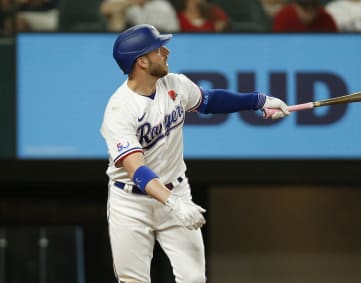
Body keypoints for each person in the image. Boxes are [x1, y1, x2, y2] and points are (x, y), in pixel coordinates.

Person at [100, 24, 289, 283]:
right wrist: (172, 202)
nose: (165, 51)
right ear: (141, 62)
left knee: (194, 279)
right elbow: (136, 169)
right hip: (130, 201)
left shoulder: (174, 84)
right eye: (158, 49)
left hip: (176, 189)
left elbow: (211, 101)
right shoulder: (119, 110)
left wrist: (258, 100)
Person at [100, 0, 179, 32]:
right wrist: (132, 2)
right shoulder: (127, 3)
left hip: (157, 44)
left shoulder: (163, 6)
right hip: (134, 43)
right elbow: (105, 8)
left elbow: (175, 33)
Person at [272, 0, 337, 32]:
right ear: (295, 6)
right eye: (305, 9)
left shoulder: (326, 19)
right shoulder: (284, 17)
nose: (309, 15)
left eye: (313, 8)